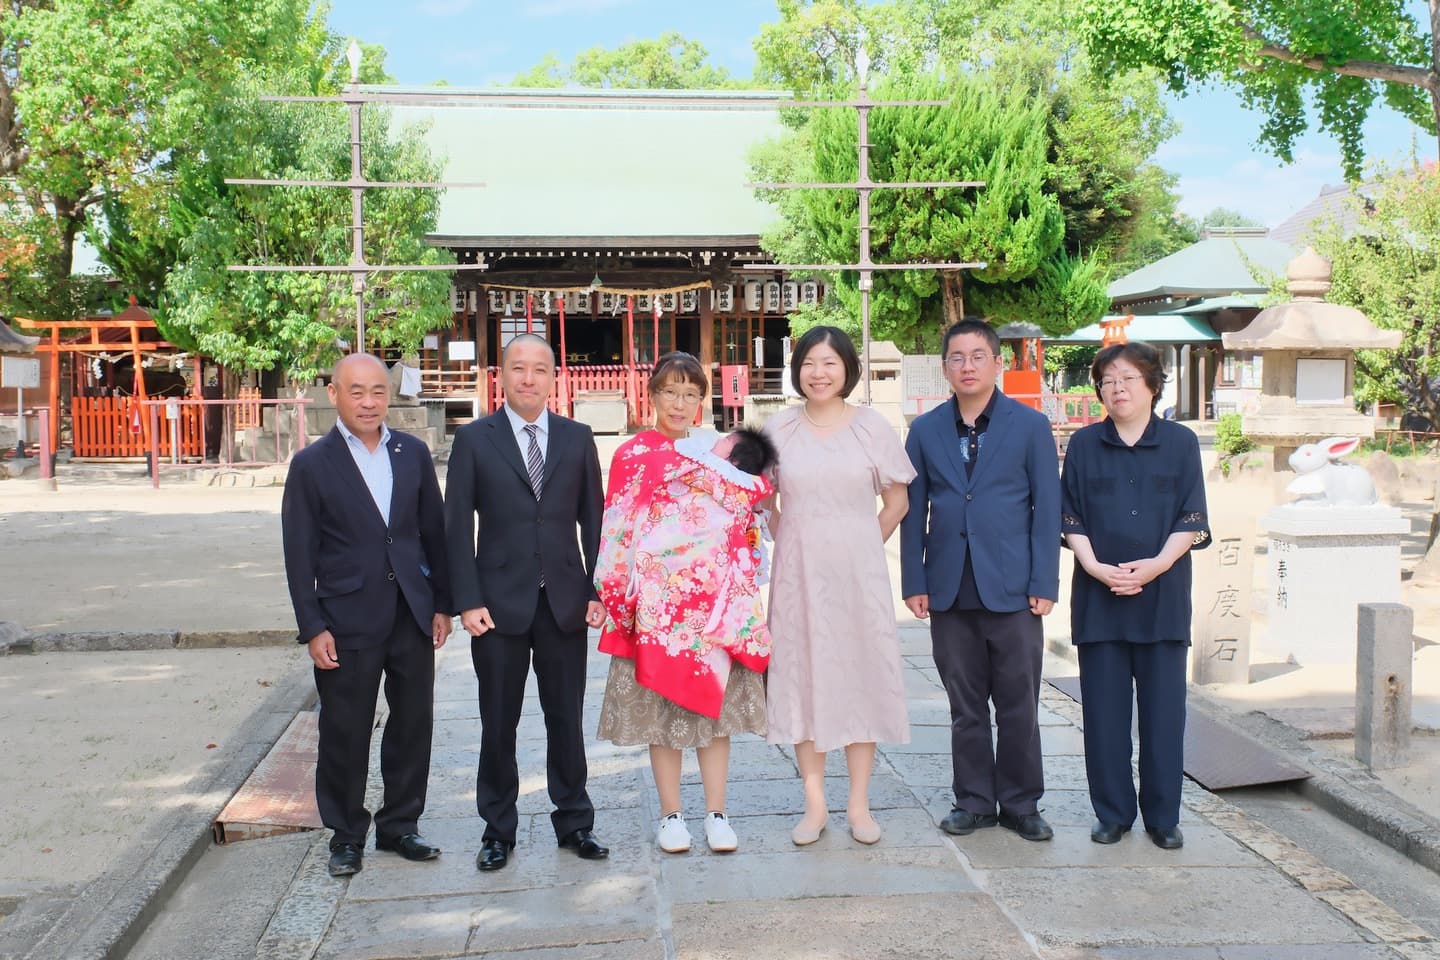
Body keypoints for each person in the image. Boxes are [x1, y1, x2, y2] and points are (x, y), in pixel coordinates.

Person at [281, 352, 452, 878]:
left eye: (378, 391)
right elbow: (298, 553)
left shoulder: (412, 453)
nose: (369, 402)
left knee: (413, 722)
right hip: (346, 616)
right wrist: (313, 626)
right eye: (356, 391)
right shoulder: (312, 464)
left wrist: (442, 603)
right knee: (346, 728)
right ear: (333, 394)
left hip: (411, 611)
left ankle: (400, 824)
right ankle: (346, 834)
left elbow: (434, 533)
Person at [444, 333, 609, 872]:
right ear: (502, 375)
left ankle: (575, 822)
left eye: (540, 369)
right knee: (498, 722)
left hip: (564, 602)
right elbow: (455, 526)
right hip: (496, 606)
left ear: (554, 377)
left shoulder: (577, 438)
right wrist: (466, 600)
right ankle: (498, 830)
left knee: (567, 718)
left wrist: (596, 590)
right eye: (519, 367)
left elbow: (594, 521)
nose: (529, 378)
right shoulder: (474, 439)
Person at [594, 352, 768, 855]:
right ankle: (671, 815)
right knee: (660, 716)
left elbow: (743, 518)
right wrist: (617, 597)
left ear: (701, 402)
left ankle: (717, 812)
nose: (678, 403)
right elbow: (617, 525)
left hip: (710, 606)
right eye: (670, 391)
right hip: (655, 607)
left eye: (690, 394)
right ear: (652, 394)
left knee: (716, 716)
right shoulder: (632, 454)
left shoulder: (718, 453)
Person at [900, 318, 1061, 843]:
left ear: (997, 363)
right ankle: (972, 801)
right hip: (949, 587)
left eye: (977, 357)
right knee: (964, 705)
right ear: (944, 367)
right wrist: (914, 579)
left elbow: (1047, 510)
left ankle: (1021, 803)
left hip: (1013, 588)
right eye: (957, 358)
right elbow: (913, 511)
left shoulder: (1030, 426)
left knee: (1019, 704)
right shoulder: (925, 430)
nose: (967, 366)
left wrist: (1045, 582)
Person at [764, 326, 914, 846]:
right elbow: (762, 499)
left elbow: (897, 500)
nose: (819, 373)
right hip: (797, 578)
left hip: (858, 577)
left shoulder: (871, 427)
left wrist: (863, 541)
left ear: (848, 368)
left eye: (829, 363)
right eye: (809, 363)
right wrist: (791, 538)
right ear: (797, 370)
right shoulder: (779, 429)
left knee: (859, 677)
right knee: (801, 678)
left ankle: (859, 803)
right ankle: (814, 804)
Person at [1060, 341, 1210, 850]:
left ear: (1151, 385)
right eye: (1107, 381)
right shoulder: (1084, 445)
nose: (1116, 388)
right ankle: (1113, 813)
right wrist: (1092, 565)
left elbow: (1192, 516)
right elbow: (1069, 514)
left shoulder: (1181, 443)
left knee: (1164, 716)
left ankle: (1163, 816)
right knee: (1103, 716)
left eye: (1127, 379)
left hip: (1162, 597)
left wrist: (1158, 564)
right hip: (1099, 598)